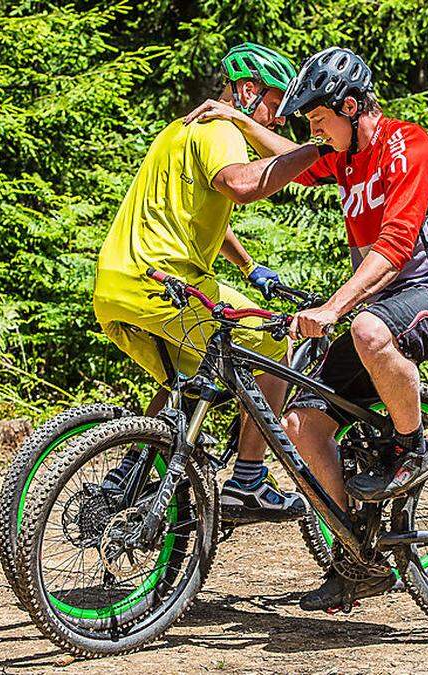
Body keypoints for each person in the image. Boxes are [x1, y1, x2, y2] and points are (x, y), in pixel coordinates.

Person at [183, 47, 428, 611]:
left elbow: (394, 250)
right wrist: (238, 120)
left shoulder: (411, 148)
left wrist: (330, 310)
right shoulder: (343, 156)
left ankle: (412, 448)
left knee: (369, 330)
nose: (315, 133)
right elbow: (291, 161)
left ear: (351, 106)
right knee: (300, 422)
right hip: (386, 308)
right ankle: (360, 560)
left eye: (321, 121)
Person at [94, 42, 327, 523]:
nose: (277, 121)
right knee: (273, 344)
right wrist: (311, 150)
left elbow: (206, 214)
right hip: (166, 280)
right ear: (246, 91)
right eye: (274, 107)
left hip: (117, 286)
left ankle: (130, 470)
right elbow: (240, 185)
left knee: (187, 377)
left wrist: (249, 268)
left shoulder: (178, 131)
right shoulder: (220, 126)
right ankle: (249, 481)